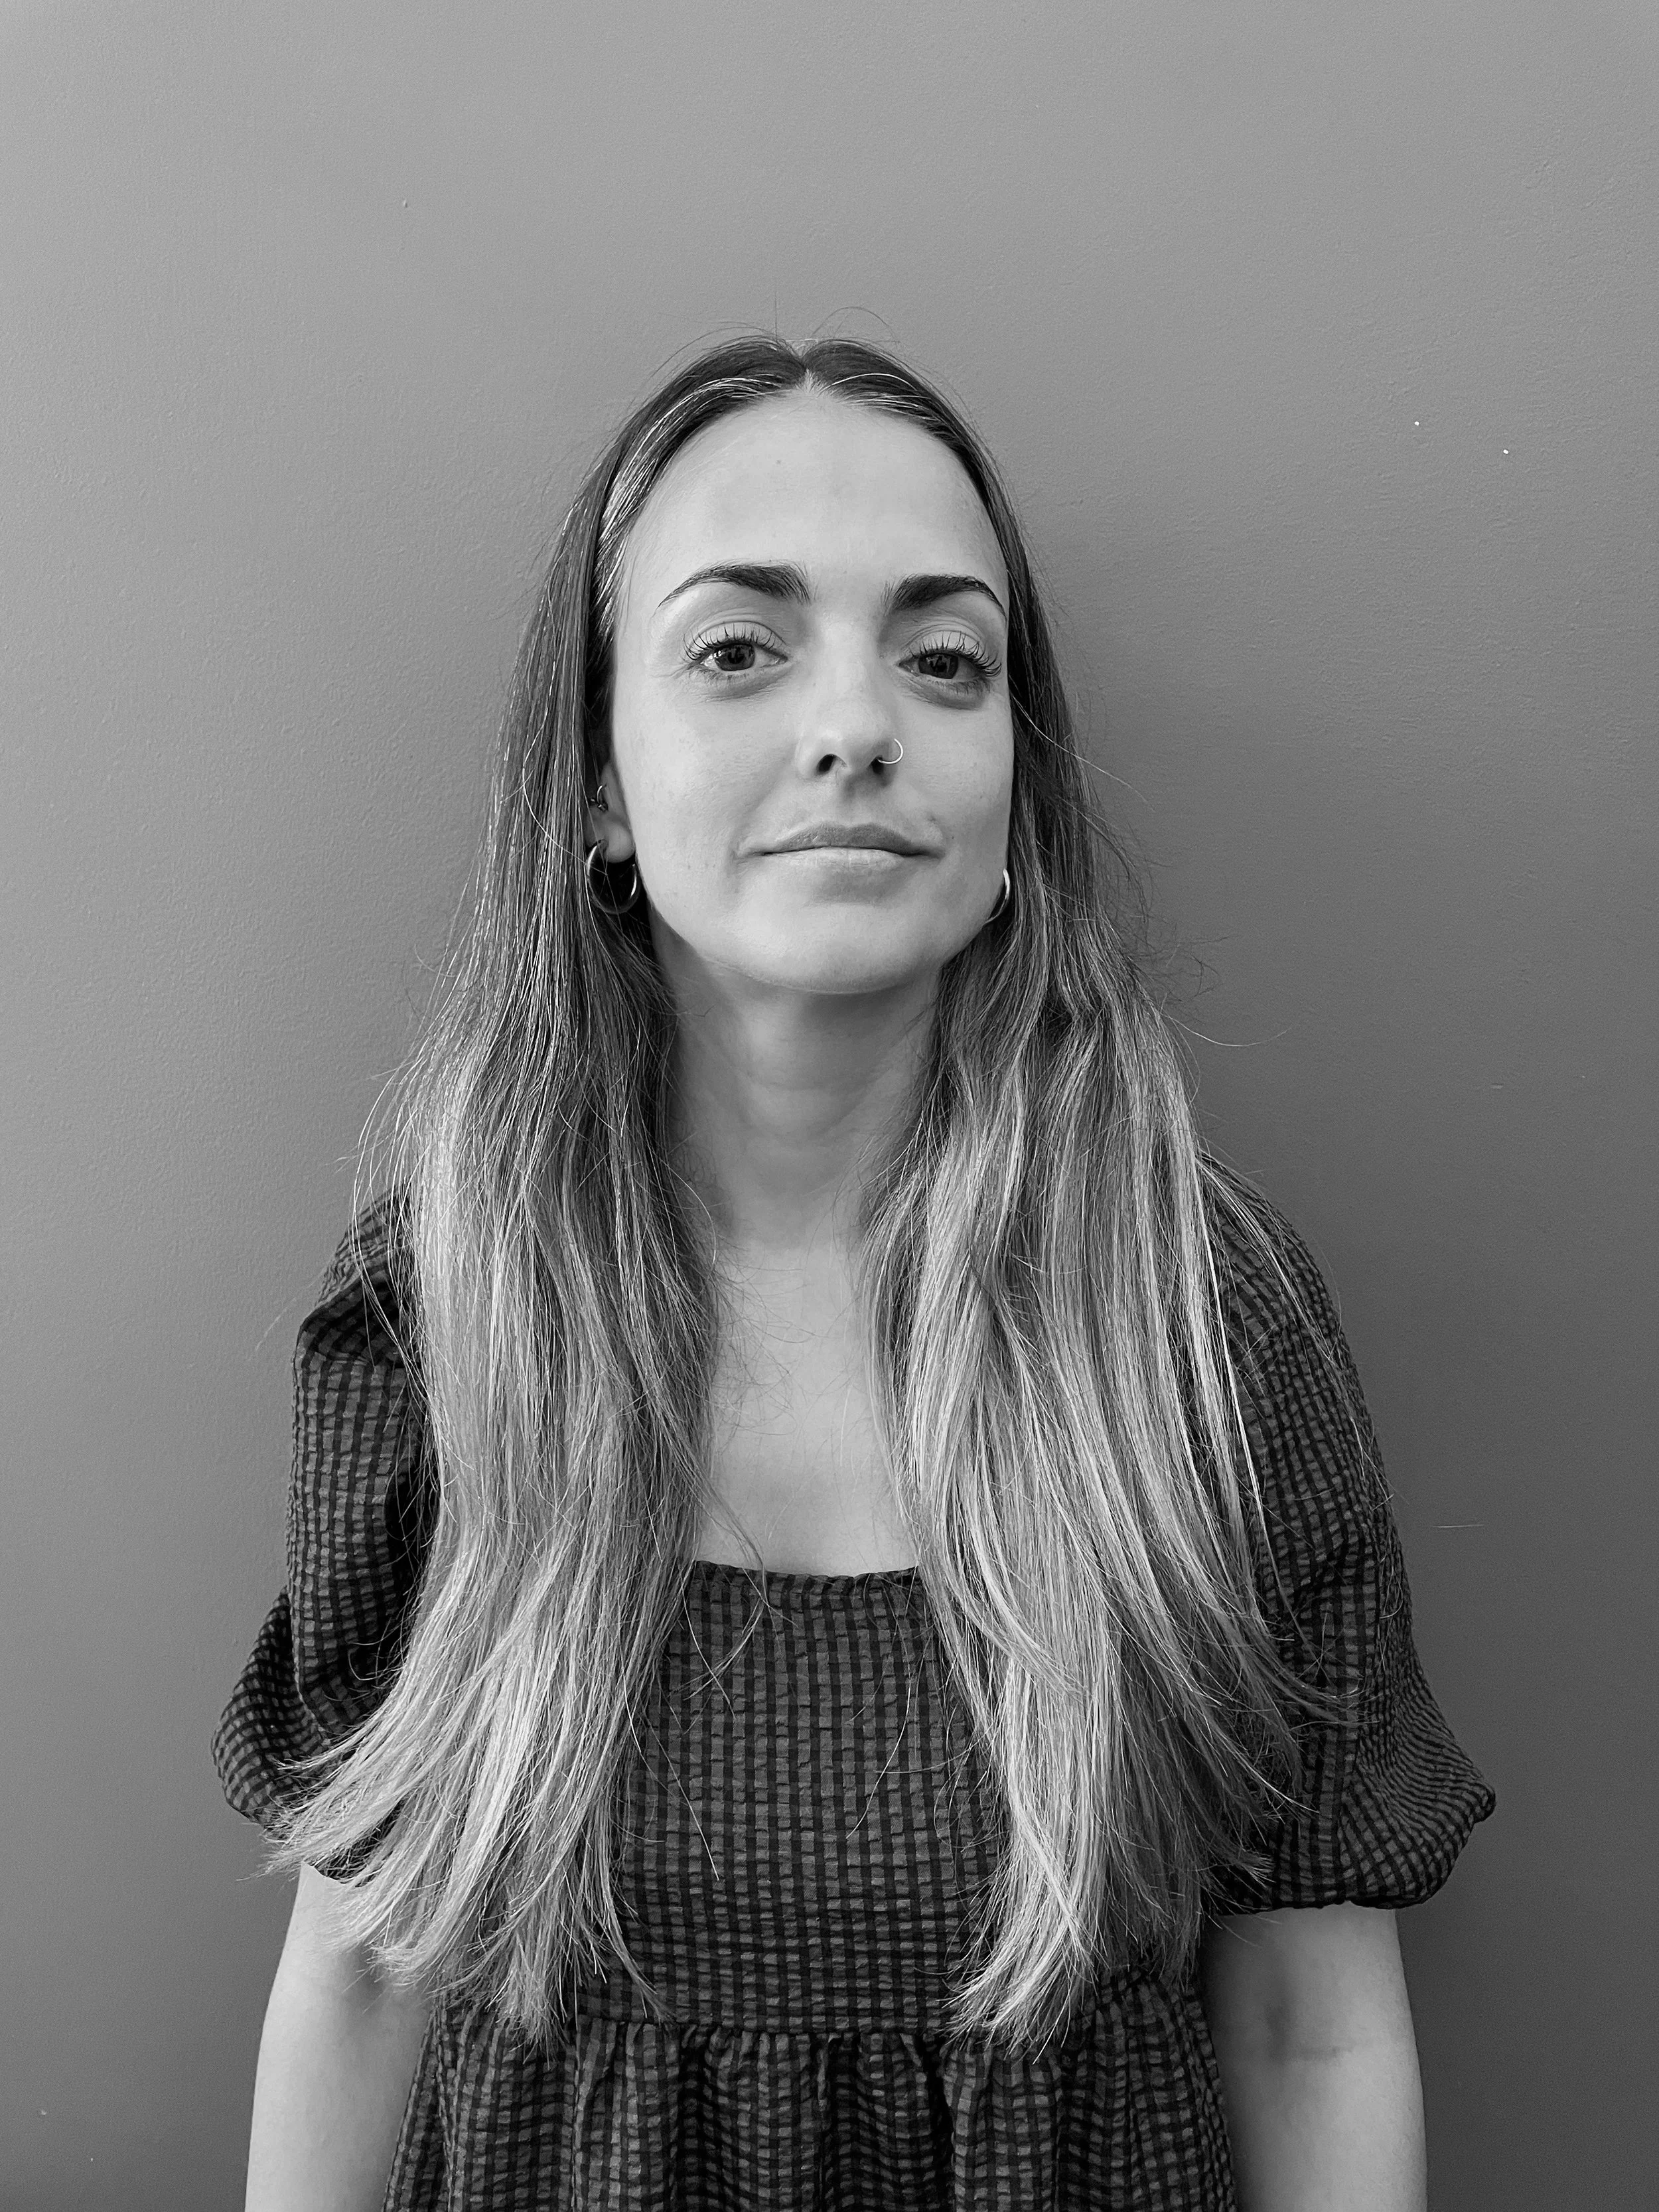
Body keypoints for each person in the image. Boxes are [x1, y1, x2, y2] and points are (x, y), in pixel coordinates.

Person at [214, 333, 1496, 2211]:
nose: (853, 723)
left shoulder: (1204, 1334)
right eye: (739, 647)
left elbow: (1308, 2022)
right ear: (594, 781)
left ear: (1013, 788)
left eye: (941, 655)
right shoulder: (448, 1317)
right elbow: (354, 1961)